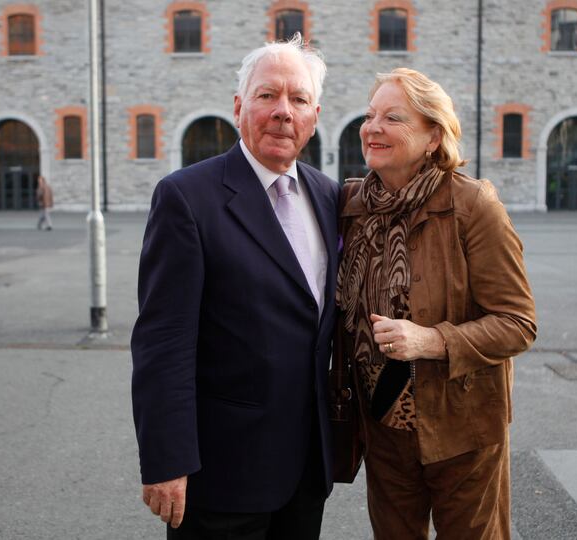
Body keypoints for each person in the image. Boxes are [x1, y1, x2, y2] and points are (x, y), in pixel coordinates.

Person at [131, 34, 339, 540]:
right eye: (268, 95)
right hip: (222, 474)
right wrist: (167, 459)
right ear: (239, 106)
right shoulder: (187, 197)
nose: (283, 112)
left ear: (314, 115)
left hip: (306, 470)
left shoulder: (328, 195)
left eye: (298, 99)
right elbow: (163, 342)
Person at [335, 68, 537, 539]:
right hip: (383, 427)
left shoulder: (473, 205)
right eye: (370, 115)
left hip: (462, 427)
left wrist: (432, 339)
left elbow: (518, 322)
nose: (372, 127)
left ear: (433, 137)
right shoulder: (351, 205)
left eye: (393, 117)